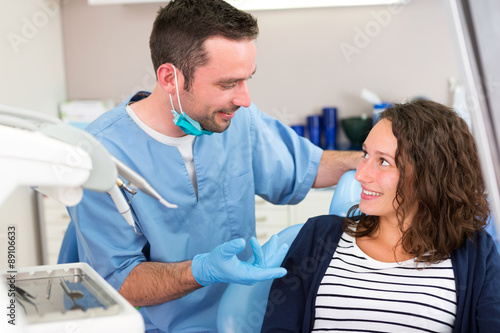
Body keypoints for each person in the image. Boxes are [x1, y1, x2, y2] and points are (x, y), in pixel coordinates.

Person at [67, 0, 362, 331]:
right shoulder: (100, 155)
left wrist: (374, 162)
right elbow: (118, 280)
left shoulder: (237, 121)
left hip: (247, 318)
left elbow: (306, 166)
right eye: (227, 84)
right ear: (169, 78)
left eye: (246, 79)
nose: (244, 98)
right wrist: (201, 270)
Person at [261, 100, 500, 333]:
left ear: (431, 177)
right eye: (365, 154)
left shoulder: (475, 253)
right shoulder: (317, 237)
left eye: (383, 161)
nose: (360, 175)